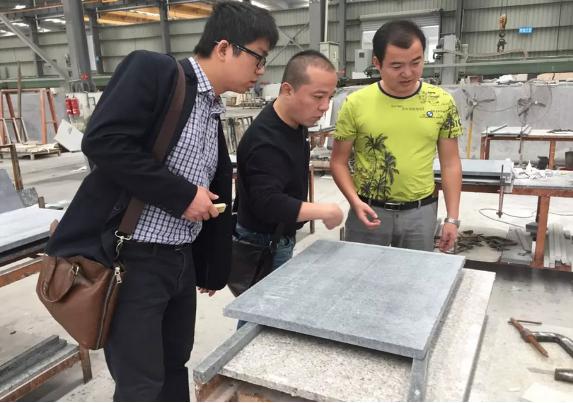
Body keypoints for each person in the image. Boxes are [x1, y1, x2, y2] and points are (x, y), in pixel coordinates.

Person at [45, 2, 278, 401]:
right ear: (224, 48)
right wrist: (182, 196)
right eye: (258, 58)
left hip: (178, 260)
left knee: (174, 364)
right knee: (141, 383)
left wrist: (209, 266)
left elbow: (210, 188)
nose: (261, 72)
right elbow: (103, 141)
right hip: (133, 262)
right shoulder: (156, 72)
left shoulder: (210, 108)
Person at [330, 20, 462, 253]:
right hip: (368, 210)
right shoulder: (355, 104)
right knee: (360, 271)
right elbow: (338, 162)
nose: (408, 73)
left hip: (420, 214)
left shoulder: (442, 102)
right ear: (377, 63)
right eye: (396, 65)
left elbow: (450, 163)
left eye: (416, 62)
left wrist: (452, 218)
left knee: (414, 273)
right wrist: (354, 202)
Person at [234, 50, 343, 284]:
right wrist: (324, 211)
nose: (325, 107)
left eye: (330, 97)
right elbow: (268, 203)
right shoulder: (264, 141)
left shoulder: (294, 122)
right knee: (263, 304)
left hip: (279, 234)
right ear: (287, 90)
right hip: (262, 242)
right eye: (318, 97)